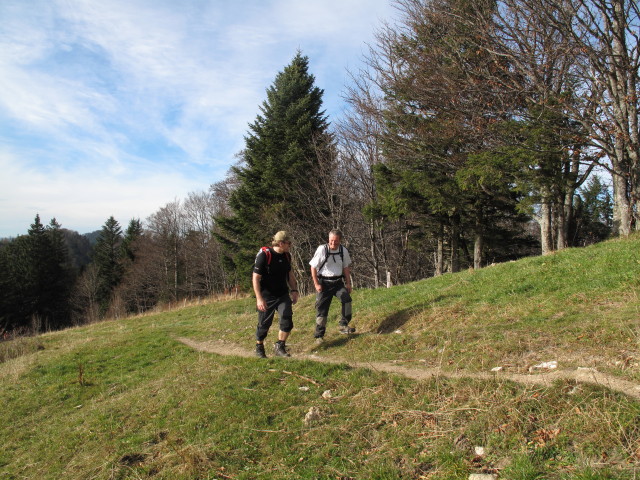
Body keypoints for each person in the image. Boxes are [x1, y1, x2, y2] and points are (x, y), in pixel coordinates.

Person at [252, 231, 299, 358]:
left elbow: (290, 275)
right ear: (281, 243)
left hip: (282, 294)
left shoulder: (287, 256)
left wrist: (294, 290)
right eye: (288, 243)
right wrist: (259, 299)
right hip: (266, 296)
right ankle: (259, 346)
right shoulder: (264, 255)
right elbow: (255, 278)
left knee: (287, 320)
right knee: (264, 324)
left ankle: (280, 346)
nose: (290, 245)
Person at [309, 229, 354, 342]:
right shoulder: (322, 249)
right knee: (322, 309)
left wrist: (348, 283)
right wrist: (316, 284)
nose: (333, 243)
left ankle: (344, 325)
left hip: (338, 282)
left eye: (336, 241)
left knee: (347, 299)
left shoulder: (343, 251)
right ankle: (319, 336)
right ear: (328, 239)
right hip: (324, 283)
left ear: (340, 240)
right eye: (331, 241)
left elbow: (346, 268)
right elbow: (313, 267)